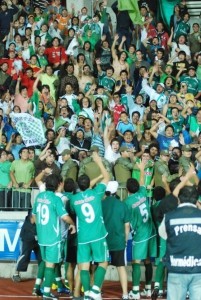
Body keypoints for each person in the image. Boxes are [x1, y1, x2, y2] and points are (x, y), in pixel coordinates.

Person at [68, 151, 110, 300]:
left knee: (83, 267)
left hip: (83, 237)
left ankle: (86, 294)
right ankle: (95, 290)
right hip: (98, 234)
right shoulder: (97, 193)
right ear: (90, 184)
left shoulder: (74, 199)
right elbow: (107, 177)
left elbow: (76, 205)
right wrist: (98, 162)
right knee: (104, 262)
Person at [32, 174, 76, 300]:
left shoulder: (39, 196)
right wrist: (72, 224)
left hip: (41, 237)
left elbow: (34, 216)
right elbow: (64, 217)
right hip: (53, 237)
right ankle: (46, 294)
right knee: (50, 265)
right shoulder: (56, 199)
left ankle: (40, 289)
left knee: (46, 263)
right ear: (58, 185)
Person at [159, 175, 201, 300]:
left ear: (179, 199)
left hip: (176, 269)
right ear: (196, 200)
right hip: (198, 269)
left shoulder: (169, 216)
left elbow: (163, 235)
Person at [125, 161, 156, 300]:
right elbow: (143, 181)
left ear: (127, 189)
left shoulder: (127, 202)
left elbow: (126, 221)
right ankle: (148, 289)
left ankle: (136, 292)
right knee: (148, 260)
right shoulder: (143, 193)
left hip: (140, 235)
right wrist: (142, 169)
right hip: (151, 231)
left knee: (136, 262)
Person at [102, 180, 130, 300]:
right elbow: (127, 225)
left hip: (103, 241)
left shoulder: (101, 204)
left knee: (100, 267)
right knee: (121, 267)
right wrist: (125, 239)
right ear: (116, 191)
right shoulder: (122, 204)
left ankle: (96, 291)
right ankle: (125, 294)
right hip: (118, 240)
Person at [12, 210, 42, 283]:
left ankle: (42, 275)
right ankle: (16, 273)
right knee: (24, 256)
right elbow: (32, 221)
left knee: (42, 257)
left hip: (38, 240)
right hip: (26, 239)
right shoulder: (30, 218)